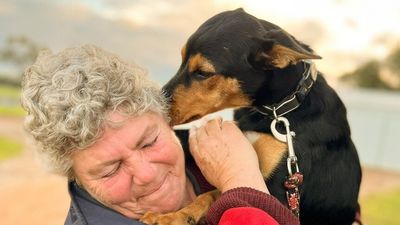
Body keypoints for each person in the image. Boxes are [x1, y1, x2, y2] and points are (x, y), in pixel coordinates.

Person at [21, 45, 299, 225]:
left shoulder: (230, 147)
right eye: (110, 169)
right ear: (77, 178)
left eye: (149, 142)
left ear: (168, 122)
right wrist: (242, 182)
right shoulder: (240, 169)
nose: (146, 175)